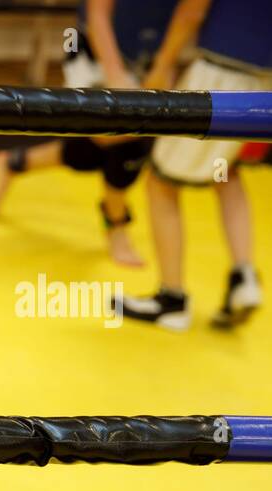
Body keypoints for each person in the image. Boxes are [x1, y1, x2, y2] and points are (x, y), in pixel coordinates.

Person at [0, 0, 180, 269]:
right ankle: (116, 225)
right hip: (94, 54)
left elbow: (188, 17)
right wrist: (115, 76)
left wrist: (164, 65)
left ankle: (15, 162)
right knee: (127, 133)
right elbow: (97, 14)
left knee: (91, 150)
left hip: (146, 59)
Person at [117, 0, 270, 331]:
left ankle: (171, 300)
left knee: (161, 181)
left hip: (219, 76)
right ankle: (243, 275)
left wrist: (162, 65)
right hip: (262, 83)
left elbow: (192, 11)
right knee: (226, 172)